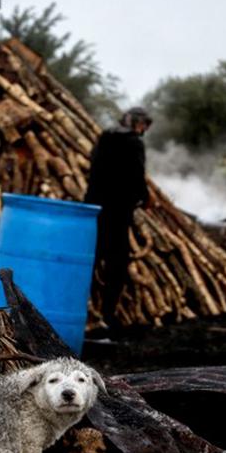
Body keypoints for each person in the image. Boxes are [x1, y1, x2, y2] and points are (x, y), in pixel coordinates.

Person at [84, 107, 153, 333]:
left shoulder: (105, 138)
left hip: (95, 209)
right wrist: (144, 198)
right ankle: (107, 315)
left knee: (91, 260)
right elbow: (137, 175)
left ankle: (87, 310)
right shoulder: (133, 143)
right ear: (135, 123)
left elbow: (93, 167)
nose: (144, 130)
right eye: (143, 124)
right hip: (118, 212)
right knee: (117, 265)